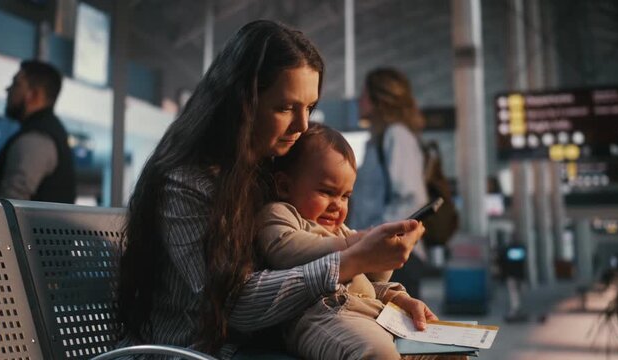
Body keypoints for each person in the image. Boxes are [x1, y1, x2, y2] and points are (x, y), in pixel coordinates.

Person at [117, 20, 428, 359]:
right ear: (241, 101)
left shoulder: (269, 174)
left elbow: (292, 278)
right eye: (285, 108)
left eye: (309, 107)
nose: (303, 125)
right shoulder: (185, 184)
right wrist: (350, 258)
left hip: (264, 342)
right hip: (198, 351)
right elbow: (233, 307)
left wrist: (390, 295)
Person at [257, 122, 440, 359]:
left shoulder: (341, 231)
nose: (337, 205)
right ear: (284, 186)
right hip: (322, 317)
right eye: (326, 192)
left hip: (369, 313)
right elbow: (284, 250)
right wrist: (354, 246)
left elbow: (374, 277)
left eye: (345, 196)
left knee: (444, 351)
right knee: (378, 354)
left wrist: (383, 257)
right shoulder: (281, 213)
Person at [349, 67, 429, 298]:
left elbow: (410, 197)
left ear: (380, 99)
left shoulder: (396, 135)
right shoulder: (376, 141)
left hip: (393, 255)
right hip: (378, 253)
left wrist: (376, 235)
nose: (359, 100)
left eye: (364, 95)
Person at [0, 60, 76, 203]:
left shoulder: (36, 138)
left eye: (16, 84)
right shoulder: (51, 132)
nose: (7, 90)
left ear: (34, 95)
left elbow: (10, 206)